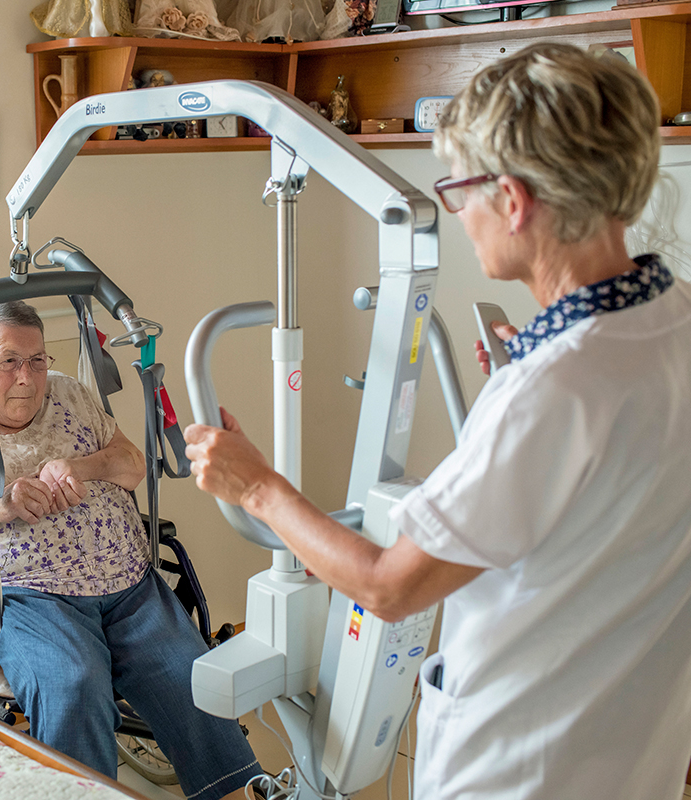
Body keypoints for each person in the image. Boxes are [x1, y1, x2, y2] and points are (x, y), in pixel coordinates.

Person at [184, 43, 691, 800]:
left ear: (513, 200)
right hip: (631, 751)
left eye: (458, 192)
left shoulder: (551, 393)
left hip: (520, 772)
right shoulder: (671, 313)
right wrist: (535, 380)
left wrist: (256, 486)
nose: (458, 215)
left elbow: (388, 587)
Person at [0, 302, 263, 799]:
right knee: (74, 684)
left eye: (37, 360)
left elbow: (130, 463)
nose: (28, 378)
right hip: (24, 596)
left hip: (128, 584)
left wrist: (80, 465)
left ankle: (234, 792)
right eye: (9, 361)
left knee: (190, 673)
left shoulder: (70, 393)